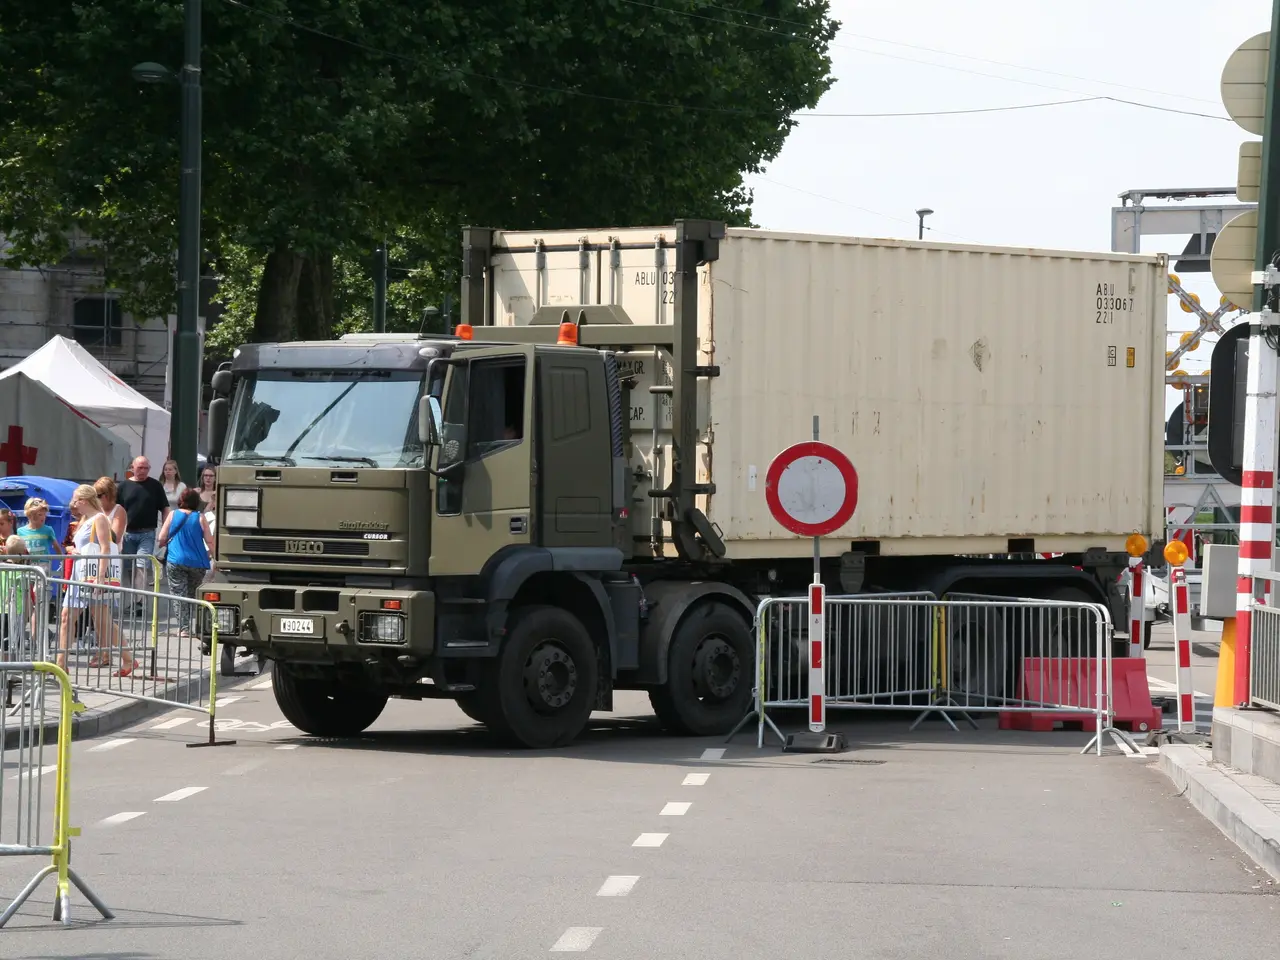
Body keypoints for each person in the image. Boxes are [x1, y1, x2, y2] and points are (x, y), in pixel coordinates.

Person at [58, 484, 133, 674]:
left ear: (83, 500)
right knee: (68, 617)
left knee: (103, 620)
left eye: (75, 500)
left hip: (93, 576)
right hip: (81, 573)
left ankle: (127, 659)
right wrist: (75, 551)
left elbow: (105, 547)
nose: (73, 505)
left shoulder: (99, 519)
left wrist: (100, 578)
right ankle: (60, 663)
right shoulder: (85, 520)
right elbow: (84, 546)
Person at [156, 488, 214, 638]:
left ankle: (184, 628)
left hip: (176, 560)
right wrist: (215, 558)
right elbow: (209, 540)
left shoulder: (173, 515)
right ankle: (197, 626)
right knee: (192, 595)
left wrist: (164, 543)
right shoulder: (200, 517)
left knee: (178, 594)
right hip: (197, 562)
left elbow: (161, 538)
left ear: (181, 500)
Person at [115, 455, 170, 601]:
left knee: (141, 565)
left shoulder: (155, 485)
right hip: (127, 534)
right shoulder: (123, 487)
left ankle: (139, 600)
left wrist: (165, 529)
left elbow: (165, 508)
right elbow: (116, 510)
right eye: (140, 468)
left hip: (147, 533)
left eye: (146, 468)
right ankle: (129, 598)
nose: (143, 471)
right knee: (128, 568)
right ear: (133, 468)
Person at [18, 497, 63, 577]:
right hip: (27, 564)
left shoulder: (48, 530)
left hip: (43, 564)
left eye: (44, 514)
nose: (43, 517)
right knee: (26, 587)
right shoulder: (20, 531)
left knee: (40, 587)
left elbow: (56, 546)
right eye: (40, 515)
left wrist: (62, 561)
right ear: (30, 515)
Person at [93, 477, 128, 546]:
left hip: (111, 552)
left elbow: (115, 538)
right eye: (94, 496)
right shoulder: (95, 509)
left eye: (98, 496)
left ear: (108, 495)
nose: (96, 499)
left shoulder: (118, 510)